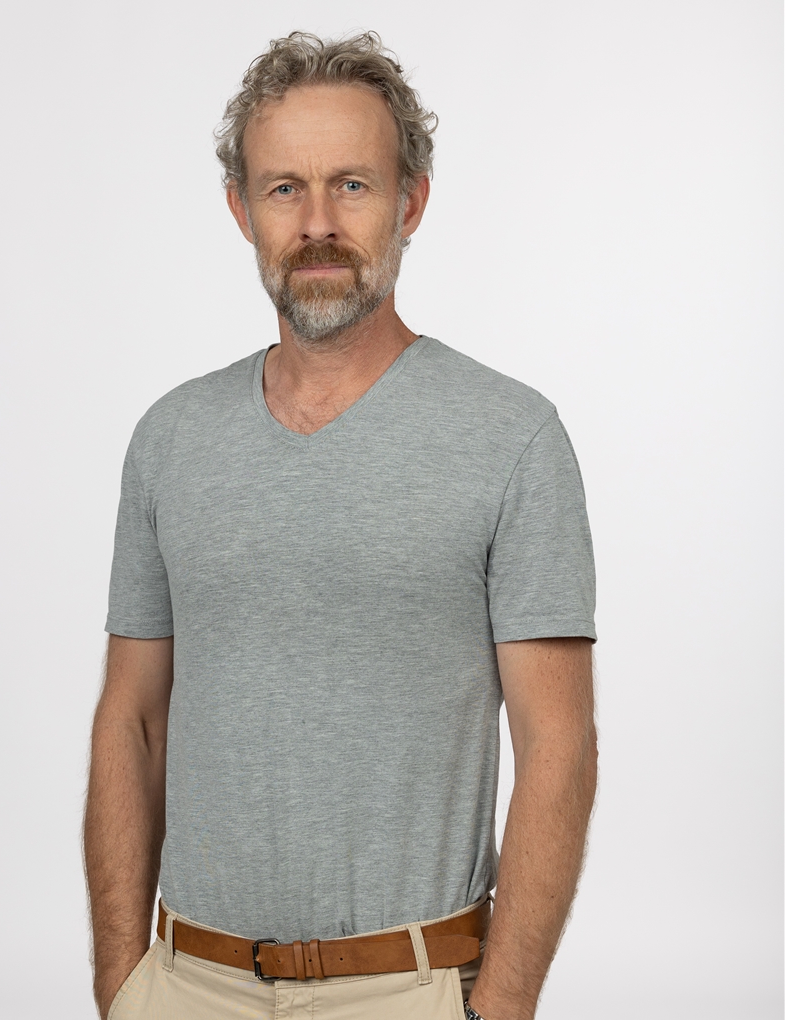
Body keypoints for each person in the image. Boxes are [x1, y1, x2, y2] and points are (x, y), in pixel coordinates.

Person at [83, 30, 598, 1020]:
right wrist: (121, 985)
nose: (318, 222)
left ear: (411, 202)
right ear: (242, 210)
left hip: (409, 987)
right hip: (186, 985)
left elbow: (558, 744)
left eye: (352, 185)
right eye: (285, 189)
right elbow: (132, 718)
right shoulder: (171, 439)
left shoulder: (511, 437)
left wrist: (499, 1007)